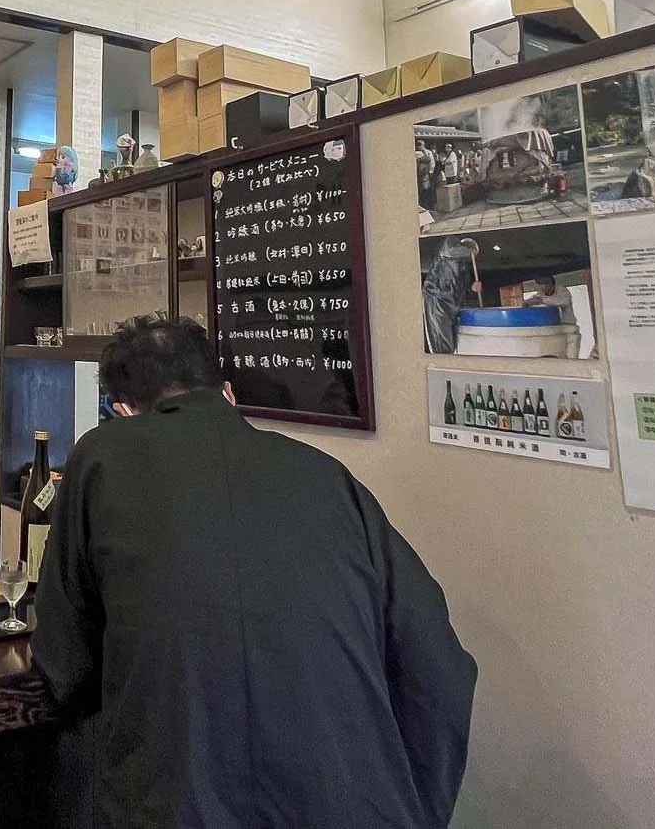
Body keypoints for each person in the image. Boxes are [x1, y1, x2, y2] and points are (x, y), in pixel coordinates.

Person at [34, 316, 477, 829]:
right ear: (227, 392)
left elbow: (65, 660)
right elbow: (439, 668)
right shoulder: (326, 473)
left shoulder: (102, 454)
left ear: (123, 410)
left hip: (175, 804)